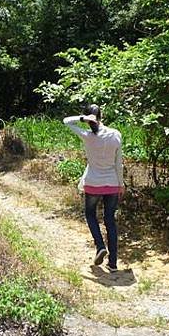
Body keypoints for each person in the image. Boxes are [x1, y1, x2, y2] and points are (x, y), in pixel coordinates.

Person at [63, 104, 123, 272]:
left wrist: (82, 119)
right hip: (112, 183)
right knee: (110, 220)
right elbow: (119, 164)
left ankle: (100, 246)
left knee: (90, 214)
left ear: (89, 119)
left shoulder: (87, 136)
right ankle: (113, 263)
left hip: (93, 183)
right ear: (101, 116)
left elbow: (66, 121)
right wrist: (121, 183)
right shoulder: (116, 134)